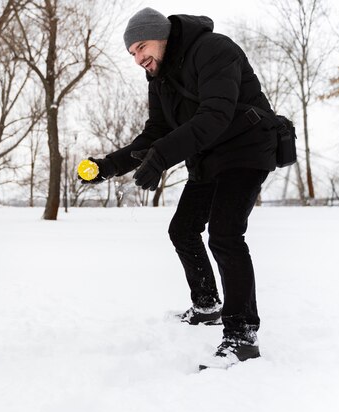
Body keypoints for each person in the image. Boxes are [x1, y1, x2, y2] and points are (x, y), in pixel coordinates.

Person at [84, 7, 278, 369]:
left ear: (163, 36)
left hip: (247, 150)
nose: (139, 58)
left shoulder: (214, 49)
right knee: (183, 229)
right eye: (132, 54)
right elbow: (155, 133)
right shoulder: (159, 78)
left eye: (142, 47)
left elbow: (215, 115)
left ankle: (242, 338)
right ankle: (207, 306)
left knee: (225, 235)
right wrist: (107, 166)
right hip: (209, 159)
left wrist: (160, 157)